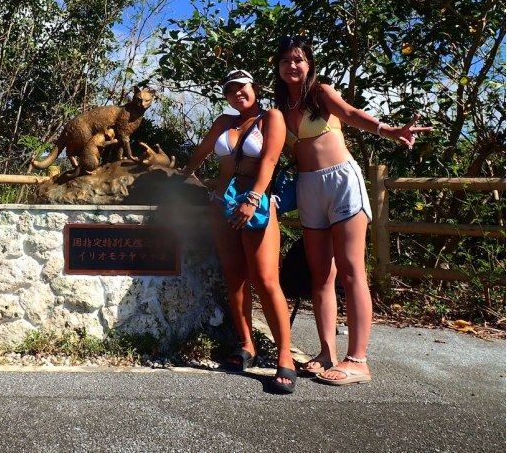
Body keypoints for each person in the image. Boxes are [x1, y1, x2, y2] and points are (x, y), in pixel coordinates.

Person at [274, 35, 430, 385]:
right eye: (286, 61)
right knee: (320, 276)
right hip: (308, 188)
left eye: (298, 59)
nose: (293, 66)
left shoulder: (321, 92)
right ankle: (326, 352)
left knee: (351, 270)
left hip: (340, 181)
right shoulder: (281, 108)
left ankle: (358, 359)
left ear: (309, 63)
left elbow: (351, 114)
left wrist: (389, 130)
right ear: (278, 67)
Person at [181, 69, 297, 393]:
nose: (237, 94)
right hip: (221, 205)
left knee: (266, 280)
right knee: (234, 277)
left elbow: (270, 161)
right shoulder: (223, 122)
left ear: (254, 88)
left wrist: (254, 198)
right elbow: (201, 152)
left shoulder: (271, 118)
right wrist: (181, 175)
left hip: (255, 206)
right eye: (230, 90)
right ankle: (247, 344)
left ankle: (285, 357)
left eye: (241, 88)